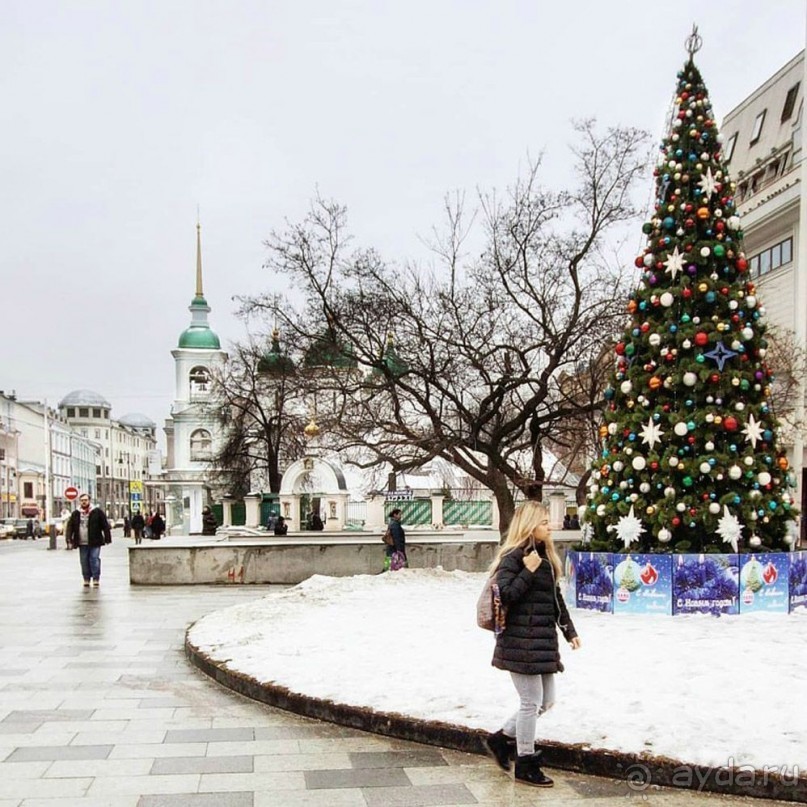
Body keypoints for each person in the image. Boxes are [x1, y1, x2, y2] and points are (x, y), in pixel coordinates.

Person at [483, 500, 580, 788]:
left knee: (546, 701)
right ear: (529, 526)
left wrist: (569, 631)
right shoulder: (513, 556)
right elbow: (507, 596)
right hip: (520, 641)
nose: (549, 527)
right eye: (543, 523)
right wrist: (528, 570)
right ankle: (525, 763)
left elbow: (555, 599)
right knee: (530, 703)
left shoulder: (546, 557)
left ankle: (500, 740)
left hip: (542, 641)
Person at [64, 492, 112, 587]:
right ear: (79, 502)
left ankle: (96, 578)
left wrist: (107, 538)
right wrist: (69, 539)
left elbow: (105, 525)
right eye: (82, 500)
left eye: (85, 500)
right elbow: (70, 527)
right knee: (84, 561)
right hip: (82, 542)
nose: (84, 502)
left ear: (89, 501)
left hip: (95, 541)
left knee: (94, 559)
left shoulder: (97, 512)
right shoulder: (76, 513)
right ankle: (86, 578)